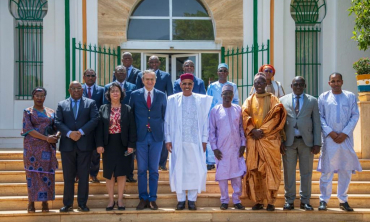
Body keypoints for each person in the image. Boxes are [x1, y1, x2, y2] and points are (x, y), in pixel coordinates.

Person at [165, 73, 213, 211]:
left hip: (195, 142)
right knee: (178, 169)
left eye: (189, 84)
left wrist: (204, 139)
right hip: (177, 141)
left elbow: (205, 122)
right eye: (184, 84)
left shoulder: (200, 100)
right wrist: (168, 139)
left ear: (193, 85)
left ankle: (192, 200)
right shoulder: (172, 100)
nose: (187, 86)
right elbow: (167, 121)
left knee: (195, 170)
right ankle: (180, 200)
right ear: (180, 85)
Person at [242, 73, 286, 211]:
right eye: (256, 83)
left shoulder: (273, 99)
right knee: (255, 172)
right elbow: (244, 116)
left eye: (261, 83)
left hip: (270, 141)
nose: (258, 85)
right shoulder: (249, 100)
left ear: (266, 84)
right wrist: (253, 130)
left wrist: (262, 131)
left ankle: (271, 201)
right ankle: (259, 201)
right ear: (253, 85)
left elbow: (276, 117)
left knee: (271, 171)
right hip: (253, 141)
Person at [317, 73, 362, 212]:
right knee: (327, 171)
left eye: (338, 81)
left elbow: (355, 116)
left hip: (346, 139)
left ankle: (343, 200)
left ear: (342, 82)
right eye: (333, 81)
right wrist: (330, 132)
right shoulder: (323, 97)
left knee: (346, 170)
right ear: (329, 83)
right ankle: (323, 200)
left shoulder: (350, 96)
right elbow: (320, 117)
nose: (336, 83)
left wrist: (344, 133)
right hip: (329, 139)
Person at [55, 81, 99, 212]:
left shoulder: (90, 103)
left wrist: (80, 132)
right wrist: (69, 133)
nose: (76, 91)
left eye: (79, 88)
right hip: (67, 146)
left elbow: (95, 119)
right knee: (68, 176)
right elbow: (57, 121)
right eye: (73, 88)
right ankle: (67, 204)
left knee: (84, 176)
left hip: (84, 145)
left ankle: (82, 203)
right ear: (69, 90)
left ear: (82, 90)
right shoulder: (61, 104)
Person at [279, 76, 321, 211]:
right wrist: (280, 141)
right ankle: (289, 200)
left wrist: (317, 142)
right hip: (289, 143)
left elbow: (316, 123)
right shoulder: (282, 100)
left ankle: (305, 201)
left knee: (306, 173)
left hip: (306, 142)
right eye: (295, 84)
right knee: (288, 172)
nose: (298, 87)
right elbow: (279, 123)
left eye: (301, 84)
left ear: (305, 86)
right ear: (291, 86)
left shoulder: (313, 101)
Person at [129, 70, 167, 210]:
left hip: (156, 137)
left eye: (152, 79)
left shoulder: (162, 96)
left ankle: (153, 198)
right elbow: (131, 117)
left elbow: (164, 116)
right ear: (143, 80)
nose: (149, 82)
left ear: (155, 81)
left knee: (154, 170)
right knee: (141, 170)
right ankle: (143, 198)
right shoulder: (135, 95)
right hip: (140, 137)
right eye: (147, 79)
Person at [96, 82, 137, 211]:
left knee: (122, 172)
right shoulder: (103, 108)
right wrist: (99, 144)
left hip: (123, 145)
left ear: (121, 94)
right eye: (112, 91)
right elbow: (99, 129)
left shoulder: (127, 108)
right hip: (108, 145)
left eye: (117, 91)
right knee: (109, 173)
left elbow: (132, 128)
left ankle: (120, 200)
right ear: (108, 94)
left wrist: (131, 145)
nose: (115, 93)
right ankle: (110, 200)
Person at [21, 87, 60, 213]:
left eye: (42, 95)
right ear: (33, 96)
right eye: (37, 95)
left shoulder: (50, 112)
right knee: (32, 175)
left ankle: (45, 203)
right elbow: (28, 129)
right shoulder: (28, 112)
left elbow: (57, 126)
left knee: (47, 175)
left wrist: (57, 135)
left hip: (47, 150)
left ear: (45, 97)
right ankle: (31, 203)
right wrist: (46, 138)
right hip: (32, 148)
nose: (39, 98)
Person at [209, 84, 246, 210]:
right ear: (221, 95)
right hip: (221, 149)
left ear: (233, 95)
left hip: (236, 148)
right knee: (223, 176)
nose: (227, 96)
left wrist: (243, 144)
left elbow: (242, 128)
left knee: (237, 176)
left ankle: (236, 200)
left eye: (230, 93)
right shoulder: (215, 110)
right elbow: (211, 130)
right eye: (225, 94)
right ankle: (224, 200)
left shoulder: (238, 109)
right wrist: (214, 148)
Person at [137, 55, 173, 172]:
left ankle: (162, 163)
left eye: (155, 62)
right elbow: (137, 92)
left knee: (160, 139)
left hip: (159, 109)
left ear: (159, 63)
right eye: (151, 62)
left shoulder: (166, 76)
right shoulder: (140, 75)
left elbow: (170, 93)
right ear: (148, 63)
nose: (153, 64)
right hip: (145, 111)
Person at [104, 65, 137, 183]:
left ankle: (130, 174)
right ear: (115, 73)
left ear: (127, 74)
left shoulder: (133, 86)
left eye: (123, 71)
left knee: (128, 156)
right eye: (119, 71)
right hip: (111, 129)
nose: (121, 73)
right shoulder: (108, 87)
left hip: (127, 120)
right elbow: (105, 106)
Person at [206, 63, 240, 171]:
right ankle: (211, 161)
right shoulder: (212, 86)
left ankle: (228, 160)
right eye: (221, 71)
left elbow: (236, 101)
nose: (223, 73)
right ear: (217, 72)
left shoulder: (232, 86)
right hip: (215, 115)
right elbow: (208, 101)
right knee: (212, 136)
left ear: (228, 73)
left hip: (228, 114)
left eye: (225, 71)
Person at [81, 69, 104, 183]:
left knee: (95, 152)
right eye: (88, 75)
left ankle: (93, 174)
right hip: (82, 124)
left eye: (92, 76)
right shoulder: (78, 89)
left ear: (96, 77)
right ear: (84, 77)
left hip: (96, 124)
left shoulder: (101, 90)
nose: (90, 77)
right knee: (82, 151)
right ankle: (79, 174)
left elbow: (103, 106)